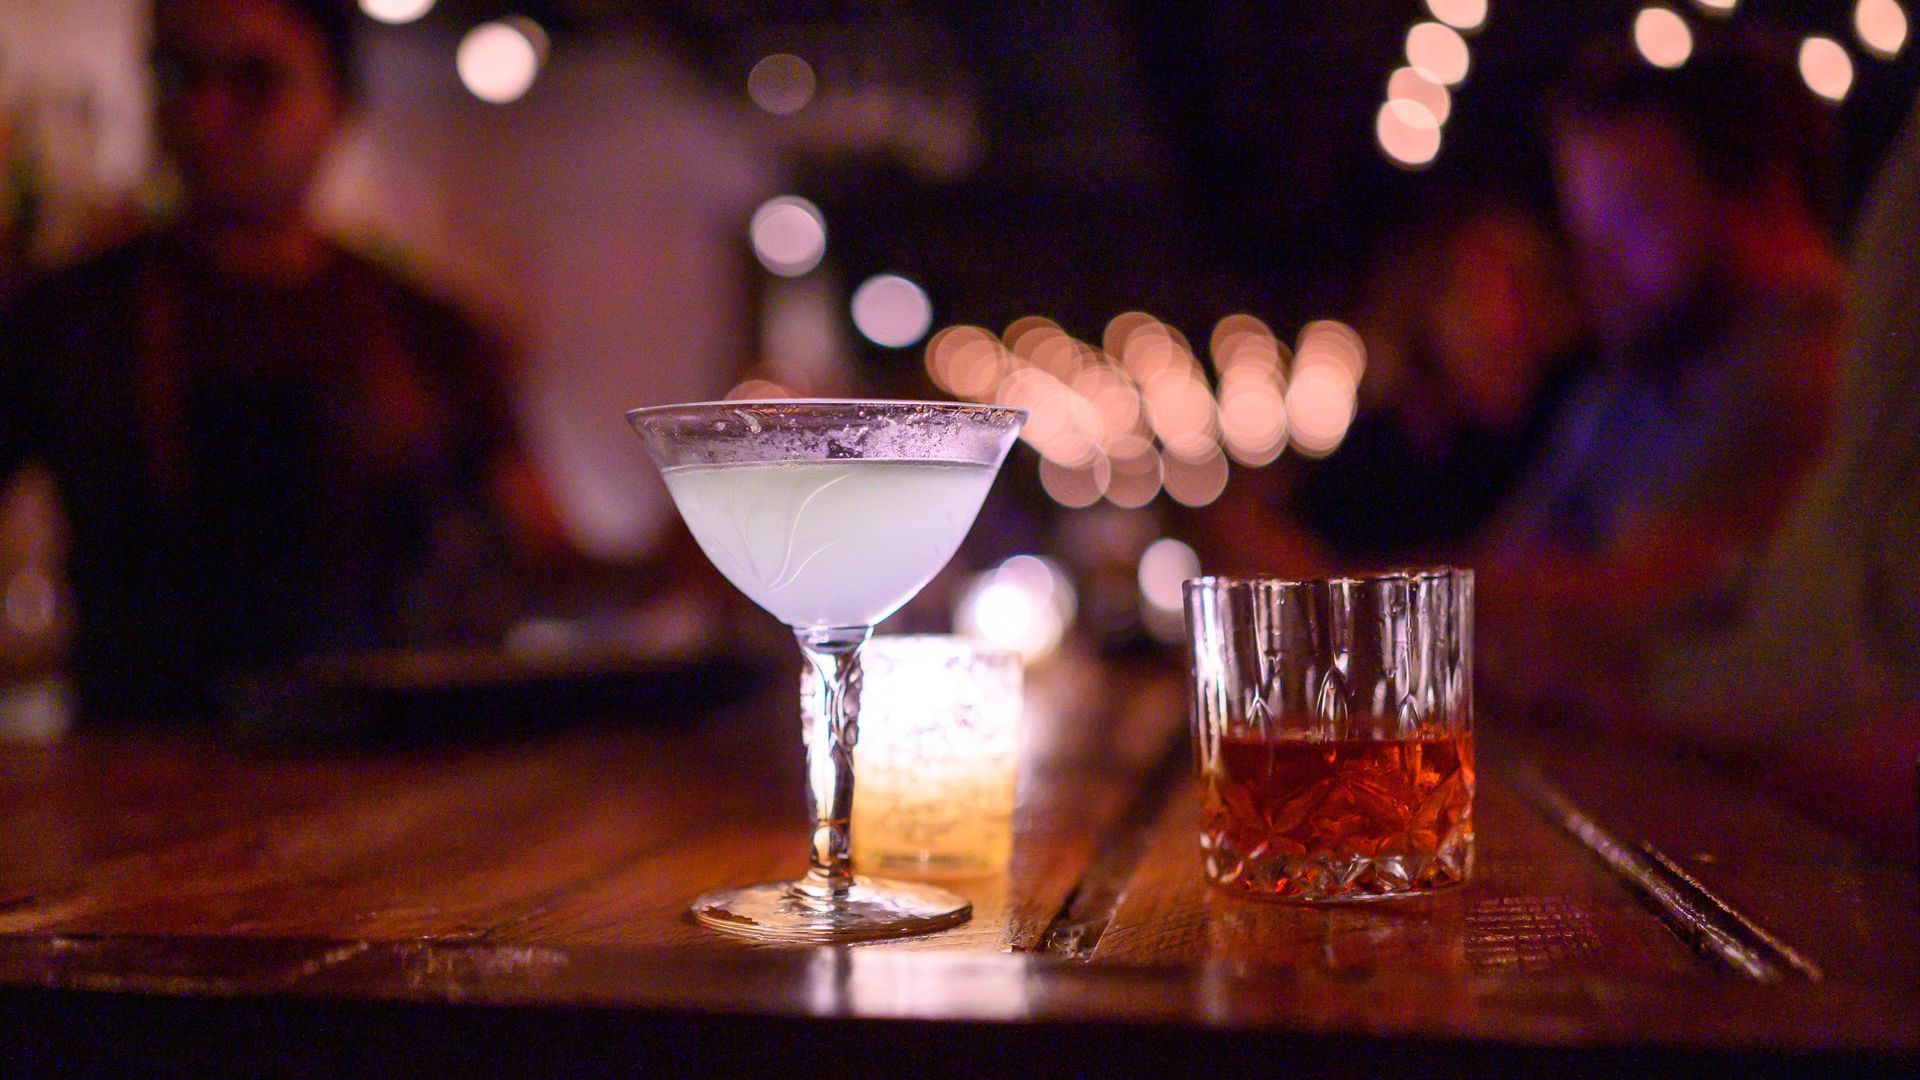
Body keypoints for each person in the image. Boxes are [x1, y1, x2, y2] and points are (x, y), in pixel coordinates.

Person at [0, 0, 575, 719]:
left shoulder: (430, 329)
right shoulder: (68, 315)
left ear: (341, 103)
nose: (204, 114)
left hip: (391, 774)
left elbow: (546, 557)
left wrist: (702, 543)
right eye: (178, 75)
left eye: (254, 80)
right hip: (137, 789)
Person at [1476, 33, 1846, 724]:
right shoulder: (1632, 380)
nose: (1597, 270)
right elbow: (1509, 576)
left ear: (1769, 196)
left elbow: (1630, 599)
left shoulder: (1824, 369)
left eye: (1633, 219)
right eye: (1586, 233)